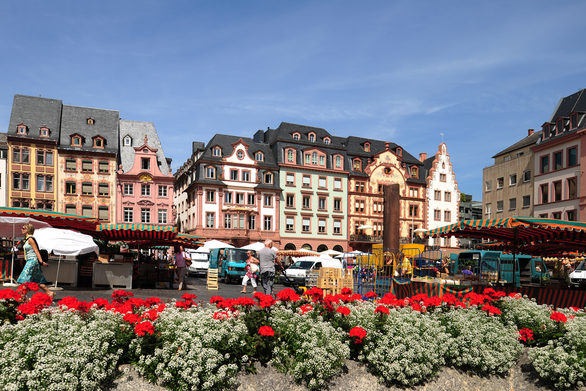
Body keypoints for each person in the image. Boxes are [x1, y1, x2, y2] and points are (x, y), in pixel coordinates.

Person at [16, 224, 55, 298]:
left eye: (23, 228)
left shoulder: (31, 239)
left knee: (24, 278)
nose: (22, 229)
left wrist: (41, 262)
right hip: (30, 261)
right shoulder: (27, 239)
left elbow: (36, 251)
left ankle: (22, 297)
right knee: (38, 280)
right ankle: (49, 292)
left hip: (32, 261)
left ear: (28, 230)